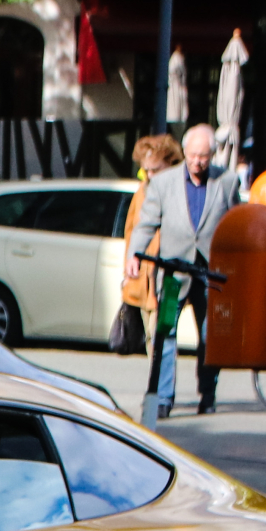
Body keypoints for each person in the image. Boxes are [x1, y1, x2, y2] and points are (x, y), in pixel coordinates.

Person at [128, 123, 244, 416]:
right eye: (193, 155)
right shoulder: (164, 182)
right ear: (185, 153)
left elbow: (235, 225)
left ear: (212, 155)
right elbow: (146, 223)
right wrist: (134, 255)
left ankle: (208, 393)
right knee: (165, 333)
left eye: (203, 156)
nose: (197, 162)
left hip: (210, 274)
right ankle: (164, 398)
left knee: (210, 336)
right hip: (173, 271)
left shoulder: (227, 181)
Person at [117, 134, 183, 407]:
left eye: (156, 169)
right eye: (146, 170)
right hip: (145, 278)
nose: (150, 175)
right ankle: (158, 390)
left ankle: (162, 394)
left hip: (171, 274)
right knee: (151, 337)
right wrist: (128, 270)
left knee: (163, 334)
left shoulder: (178, 190)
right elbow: (131, 231)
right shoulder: (141, 192)